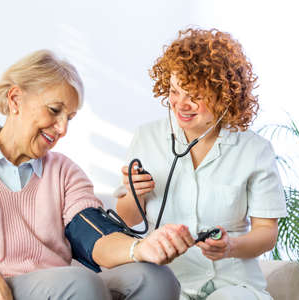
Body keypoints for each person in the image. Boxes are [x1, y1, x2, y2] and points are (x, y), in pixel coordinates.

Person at [0, 49, 192, 300]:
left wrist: (140, 249)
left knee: (156, 279)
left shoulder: (64, 171)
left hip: (62, 285)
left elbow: (91, 234)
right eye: (54, 110)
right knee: (81, 283)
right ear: (15, 99)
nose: (62, 129)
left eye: (69, 118)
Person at [115, 28, 287, 300]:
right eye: (174, 91)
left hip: (233, 284)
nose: (180, 105)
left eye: (194, 95)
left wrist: (230, 246)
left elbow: (266, 233)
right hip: (166, 280)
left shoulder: (254, 150)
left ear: (225, 95)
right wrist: (137, 192)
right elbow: (127, 219)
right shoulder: (147, 138)